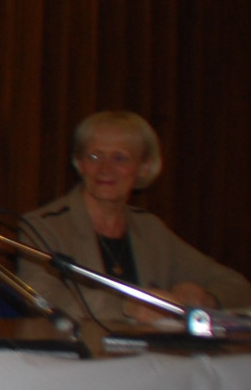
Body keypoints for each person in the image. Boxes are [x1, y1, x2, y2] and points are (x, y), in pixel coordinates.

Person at [17, 110, 250, 321]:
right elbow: (40, 296)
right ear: (79, 164)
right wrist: (128, 308)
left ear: (144, 168)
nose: (105, 169)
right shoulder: (42, 225)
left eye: (120, 158)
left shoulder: (149, 228)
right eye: (95, 157)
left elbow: (238, 286)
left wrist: (205, 298)